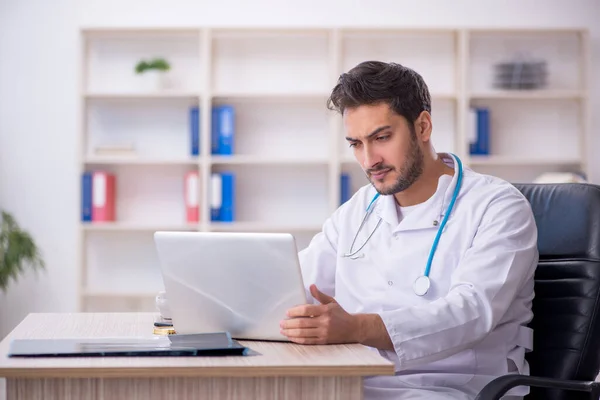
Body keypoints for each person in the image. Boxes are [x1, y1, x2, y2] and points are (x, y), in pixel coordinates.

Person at [279, 61, 539, 400]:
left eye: (382, 137)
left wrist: (357, 327)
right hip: (352, 382)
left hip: (449, 389)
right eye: (356, 143)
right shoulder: (360, 208)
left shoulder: (498, 207)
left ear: (423, 126)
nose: (369, 159)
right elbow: (296, 283)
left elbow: (471, 311)